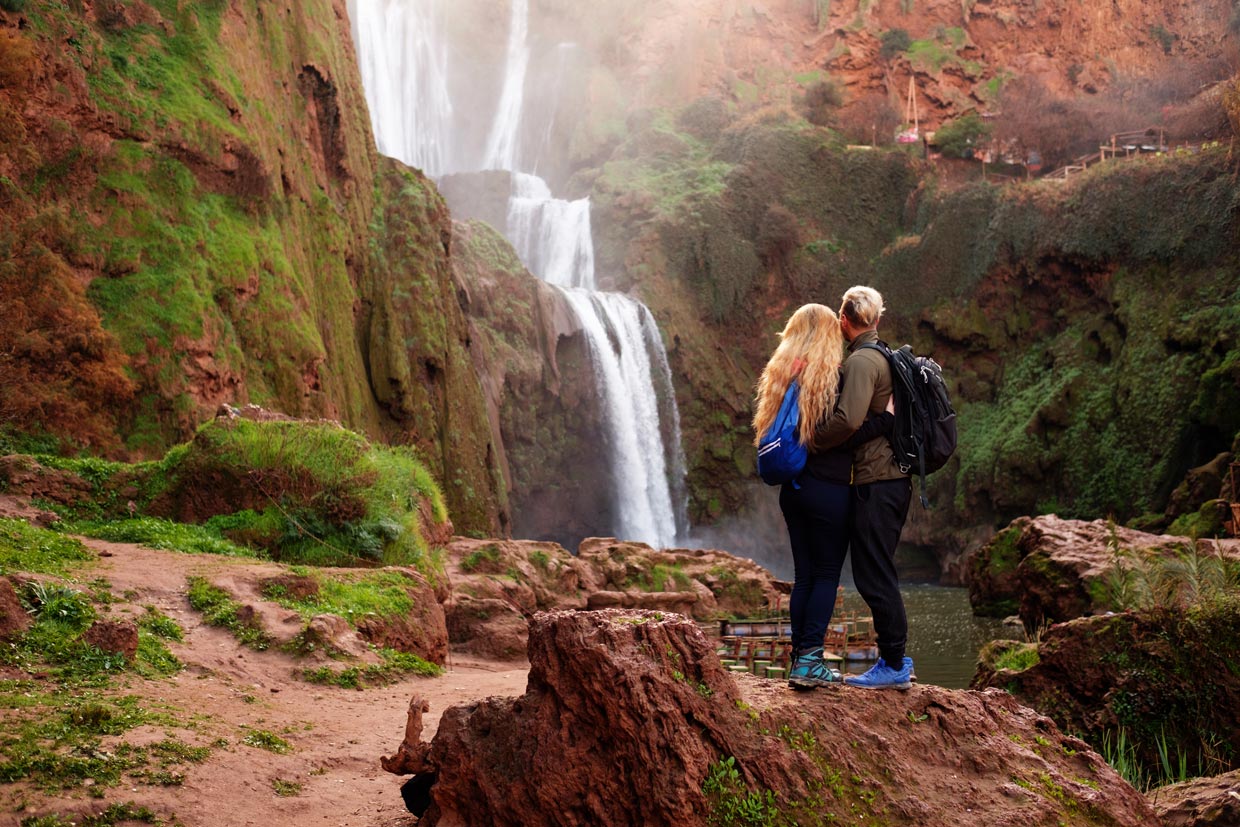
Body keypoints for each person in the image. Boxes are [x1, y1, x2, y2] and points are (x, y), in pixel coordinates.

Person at [753, 304, 892, 690]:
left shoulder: (783, 376)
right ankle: (810, 661)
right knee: (827, 574)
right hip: (828, 491)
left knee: (804, 577)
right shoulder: (830, 378)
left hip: (793, 491)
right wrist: (885, 420)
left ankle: (800, 657)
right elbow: (840, 434)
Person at [813, 285, 914, 690]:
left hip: (877, 480)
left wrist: (814, 441)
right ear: (877, 319)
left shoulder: (862, 362)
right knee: (879, 570)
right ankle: (896, 659)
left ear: (843, 320)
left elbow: (847, 421)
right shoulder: (885, 355)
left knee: (874, 575)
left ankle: (893, 663)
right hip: (892, 481)